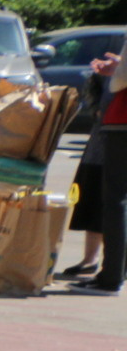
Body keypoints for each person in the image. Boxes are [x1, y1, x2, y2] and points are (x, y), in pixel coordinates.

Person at [70, 48, 124, 291]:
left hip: (121, 122)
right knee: (116, 199)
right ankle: (113, 272)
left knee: (115, 200)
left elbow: (121, 80)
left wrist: (118, 69)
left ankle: (111, 277)